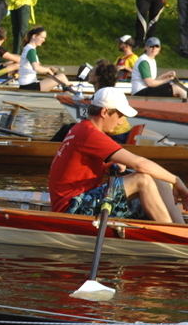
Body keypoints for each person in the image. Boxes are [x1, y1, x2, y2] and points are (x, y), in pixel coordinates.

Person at [49, 87, 188, 223]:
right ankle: (170, 235)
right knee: (142, 179)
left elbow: (74, 168)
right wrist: (176, 180)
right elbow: (140, 164)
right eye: (119, 115)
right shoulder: (89, 134)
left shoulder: (81, 128)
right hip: (72, 208)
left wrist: (104, 167)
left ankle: (180, 229)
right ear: (104, 112)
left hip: (84, 198)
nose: (121, 121)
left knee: (159, 179)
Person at [17, 26, 71, 91]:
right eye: (42, 37)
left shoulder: (28, 48)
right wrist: (47, 70)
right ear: (34, 36)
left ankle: (68, 94)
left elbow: (32, 67)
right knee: (61, 77)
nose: (44, 40)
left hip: (27, 85)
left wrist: (47, 69)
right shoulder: (31, 50)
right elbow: (36, 68)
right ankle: (71, 97)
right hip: (29, 87)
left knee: (62, 78)